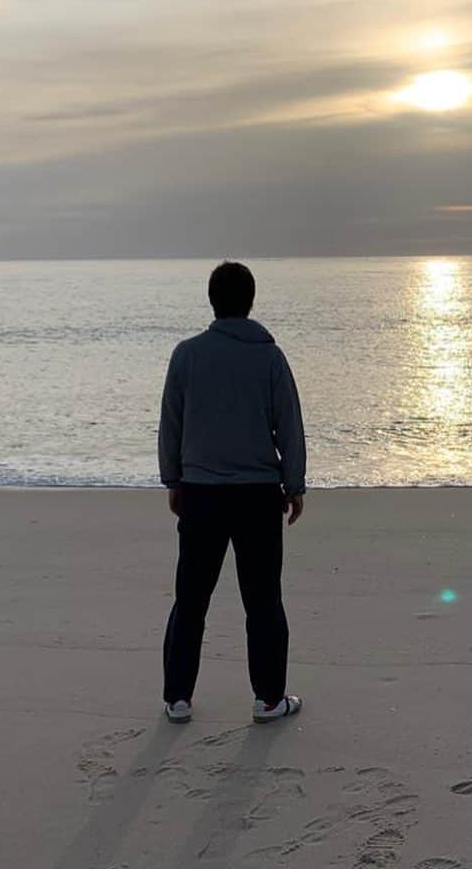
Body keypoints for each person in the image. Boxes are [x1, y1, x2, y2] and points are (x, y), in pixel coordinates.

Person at [158, 260, 306, 725]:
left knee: (191, 598)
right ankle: (268, 700)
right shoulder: (269, 357)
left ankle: (178, 698)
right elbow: (290, 426)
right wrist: (295, 485)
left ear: (212, 300)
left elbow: (171, 425)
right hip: (258, 494)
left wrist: (173, 479)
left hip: (201, 491)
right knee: (262, 599)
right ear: (251, 300)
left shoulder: (187, 355)